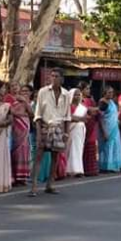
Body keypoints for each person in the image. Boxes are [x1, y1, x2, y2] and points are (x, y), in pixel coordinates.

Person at [31, 68, 70, 196]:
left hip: (58, 127)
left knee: (55, 157)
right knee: (39, 156)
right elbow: (38, 114)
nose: (53, 78)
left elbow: (67, 116)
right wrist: (38, 133)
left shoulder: (66, 94)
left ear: (61, 79)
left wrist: (66, 133)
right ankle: (34, 186)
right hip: (45, 126)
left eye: (56, 76)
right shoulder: (43, 91)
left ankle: (50, 184)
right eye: (52, 76)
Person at [10, 84, 33, 186]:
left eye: (25, 91)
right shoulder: (9, 100)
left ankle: (22, 177)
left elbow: (32, 114)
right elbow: (8, 111)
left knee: (23, 150)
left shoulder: (25, 102)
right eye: (22, 91)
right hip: (14, 127)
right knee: (14, 151)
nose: (24, 93)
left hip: (24, 126)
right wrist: (19, 114)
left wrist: (24, 102)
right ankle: (14, 176)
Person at [98, 86, 121, 172]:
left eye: (112, 92)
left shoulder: (112, 102)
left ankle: (114, 165)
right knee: (107, 147)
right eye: (109, 92)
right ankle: (105, 166)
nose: (111, 94)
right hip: (106, 129)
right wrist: (104, 132)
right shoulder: (103, 102)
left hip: (114, 128)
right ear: (104, 93)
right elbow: (101, 118)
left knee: (115, 147)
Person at [79, 82, 100, 177]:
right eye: (86, 89)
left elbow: (95, 112)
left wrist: (93, 110)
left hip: (92, 126)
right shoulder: (80, 100)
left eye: (89, 89)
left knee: (92, 147)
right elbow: (85, 111)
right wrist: (92, 110)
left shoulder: (91, 100)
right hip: (84, 125)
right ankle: (84, 169)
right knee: (85, 147)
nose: (88, 91)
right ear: (82, 90)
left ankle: (91, 170)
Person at [66, 88, 87, 177]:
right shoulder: (67, 106)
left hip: (80, 130)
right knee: (69, 149)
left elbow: (84, 119)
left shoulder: (83, 108)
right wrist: (77, 119)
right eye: (75, 94)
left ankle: (78, 170)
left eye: (78, 95)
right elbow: (68, 117)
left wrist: (76, 119)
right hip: (70, 129)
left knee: (78, 149)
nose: (77, 96)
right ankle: (68, 169)